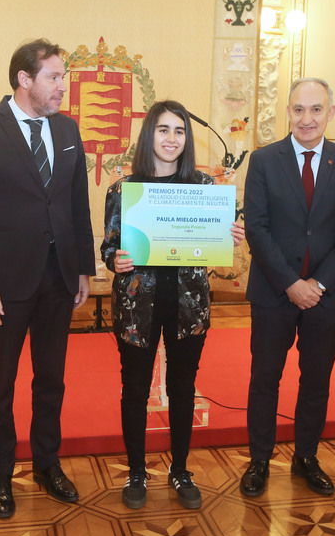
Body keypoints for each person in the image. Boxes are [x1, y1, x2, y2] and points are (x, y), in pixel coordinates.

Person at [0, 39, 95, 519]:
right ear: (24, 79)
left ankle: (47, 464)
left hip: (59, 279)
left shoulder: (69, 129)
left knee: (51, 380)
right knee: (1, 382)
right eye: (55, 77)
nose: (63, 86)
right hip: (5, 283)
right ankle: (0, 474)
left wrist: (83, 269)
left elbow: (77, 204)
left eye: (63, 77)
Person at [101, 100, 245, 510]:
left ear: (187, 139)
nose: (171, 138)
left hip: (188, 306)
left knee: (184, 389)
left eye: (179, 131)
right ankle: (135, 472)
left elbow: (216, 240)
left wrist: (229, 233)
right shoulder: (124, 190)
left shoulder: (204, 188)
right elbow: (109, 246)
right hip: (136, 305)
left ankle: (180, 470)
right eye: (163, 130)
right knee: (135, 390)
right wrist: (116, 259)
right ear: (149, 135)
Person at [241, 77, 335, 498]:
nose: (306, 118)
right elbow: (256, 228)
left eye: (316, 109)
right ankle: (259, 459)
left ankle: (306, 457)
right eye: (298, 109)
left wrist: (319, 284)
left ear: (330, 113)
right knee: (264, 379)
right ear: (288, 113)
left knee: (316, 380)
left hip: (325, 298)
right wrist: (292, 283)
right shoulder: (263, 160)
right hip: (274, 293)